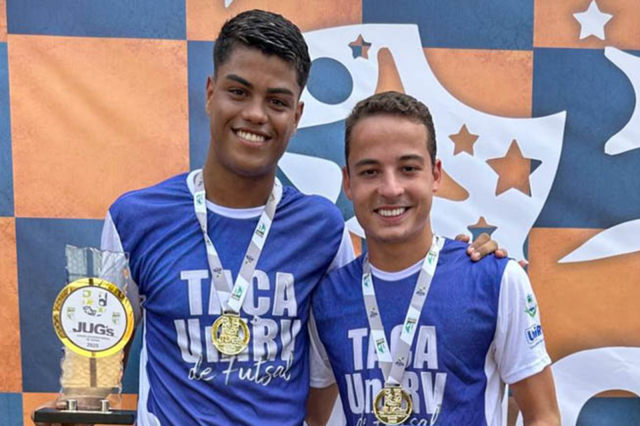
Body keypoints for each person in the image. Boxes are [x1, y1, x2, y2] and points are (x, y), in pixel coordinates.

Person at [36, 10, 501, 426]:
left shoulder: (322, 229)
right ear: (211, 93)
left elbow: (375, 316)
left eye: (277, 101)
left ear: (296, 115)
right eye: (239, 92)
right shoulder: (136, 218)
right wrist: (81, 395)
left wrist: (466, 264)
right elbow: (97, 363)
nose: (255, 114)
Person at [311, 92, 560, 426]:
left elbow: (543, 415)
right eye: (370, 172)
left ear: (436, 175)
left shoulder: (494, 278)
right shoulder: (327, 297)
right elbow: (316, 417)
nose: (391, 189)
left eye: (408, 169)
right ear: (348, 183)